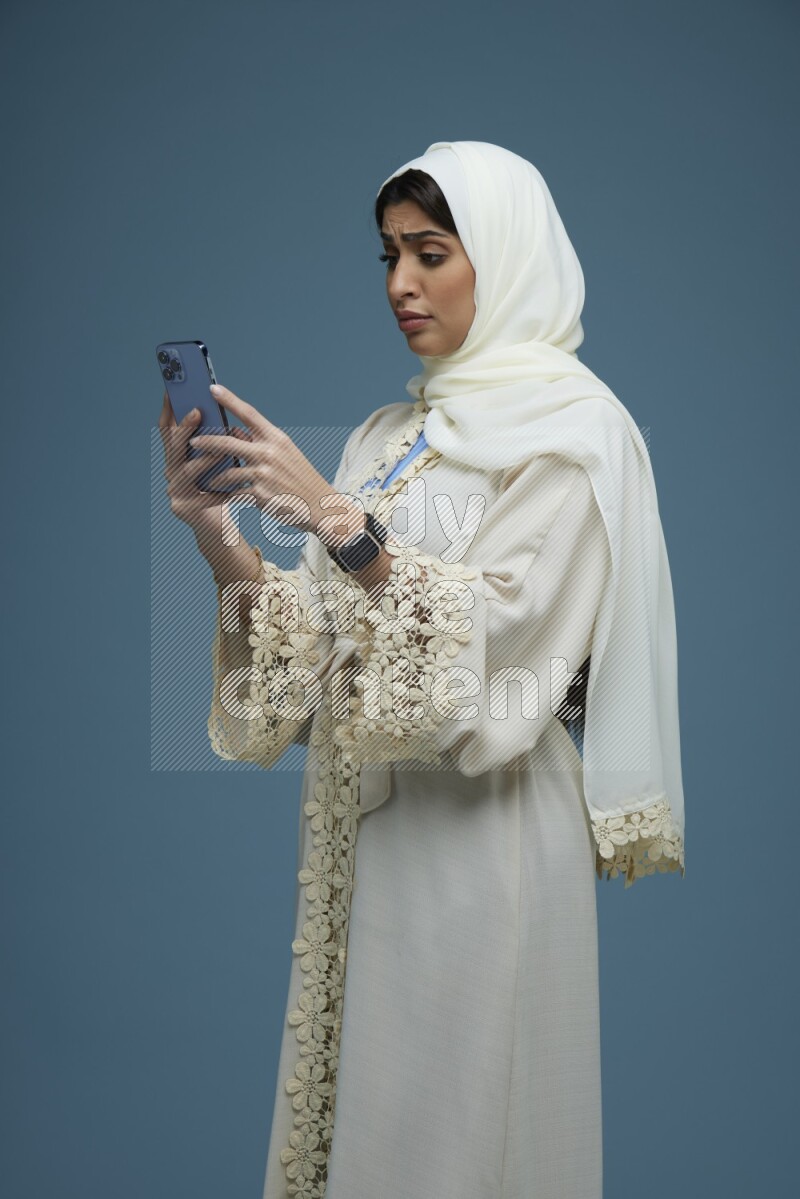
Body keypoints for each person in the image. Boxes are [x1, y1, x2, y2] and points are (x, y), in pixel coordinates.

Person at [159, 140, 686, 1199]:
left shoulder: (579, 438)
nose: (401, 282)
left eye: (432, 252)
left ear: (504, 257)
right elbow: (305, 673)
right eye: (389, 253)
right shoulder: (389, 436)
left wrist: (334, 518)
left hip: (481, 852)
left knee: (460, 1142)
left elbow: (502, 656)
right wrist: (219, 533)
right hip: (366, 853)